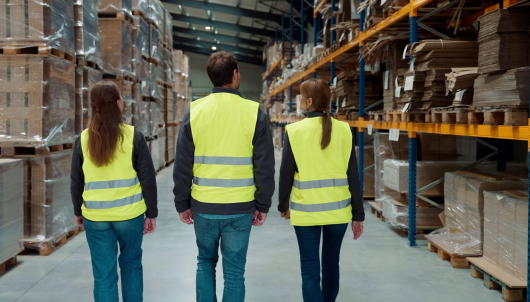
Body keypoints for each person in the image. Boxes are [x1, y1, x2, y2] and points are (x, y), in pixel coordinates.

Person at [173, 51, 275, 302]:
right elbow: (265, 166)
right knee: (234, 273)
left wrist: (181, 203)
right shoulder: (254, 112)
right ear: (235, 74)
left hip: (204, 207)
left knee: (205, 262)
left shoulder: (195, 111)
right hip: (240, 208)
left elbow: (183, 163)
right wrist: (263, 204)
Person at [70, 80, 158, 302]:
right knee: (131, 266)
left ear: (93, 106)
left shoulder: (83, 139)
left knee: (103, 275)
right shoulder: (133, 136)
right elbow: (148, 178)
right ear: (119, 103)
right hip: (130, 215)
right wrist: (151, 213)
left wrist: (78, 211)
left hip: (96, 218)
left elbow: (76, 180)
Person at [278, 79, 365, 302]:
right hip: (338, 213)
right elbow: (352, 175)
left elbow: (286, 173)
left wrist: (283, 205)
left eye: (300, 96)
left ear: (308, 101)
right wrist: (358, 215)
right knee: (331, 265)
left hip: (306, 214)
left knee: (309, 271)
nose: (298, 100)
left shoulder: (294, 131)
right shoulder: (345, 130)